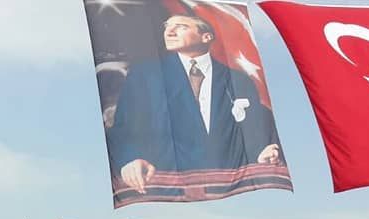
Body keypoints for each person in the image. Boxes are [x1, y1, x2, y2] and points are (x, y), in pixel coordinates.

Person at [108, 14, 282, 195]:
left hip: (228, 189)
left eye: (181, 26)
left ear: (206, 37)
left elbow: (251, 129)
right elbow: (124, 127)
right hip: (162, 187)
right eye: (167, 26)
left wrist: (261, 152)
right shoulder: (145, 75)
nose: (170, 31)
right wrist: (129, 160)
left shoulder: (238, 79)